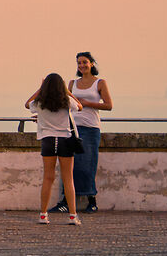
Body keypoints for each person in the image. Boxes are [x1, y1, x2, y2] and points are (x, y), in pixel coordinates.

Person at [27, 73, 83, 226]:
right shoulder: (66, 101)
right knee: (68, 178)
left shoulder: (40, 102)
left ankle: (43, 215)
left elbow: (27, 104)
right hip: (65, 140)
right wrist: (68, 91)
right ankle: (72, 216)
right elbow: (80, 106)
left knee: (48, 178)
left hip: (48, 140)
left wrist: (40, 89)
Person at [70, 51, 112, 213]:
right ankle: (66, 200)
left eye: (84, 62)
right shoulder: (72, 83)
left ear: (92, 64)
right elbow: (66, 104)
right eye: (79, 63)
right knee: (71, 165)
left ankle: (91, 201)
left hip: (91, 128)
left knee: (88, 165)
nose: (81, 66)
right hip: (73, 127)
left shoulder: (99, 83)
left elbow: (109, 105)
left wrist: (87, 103)